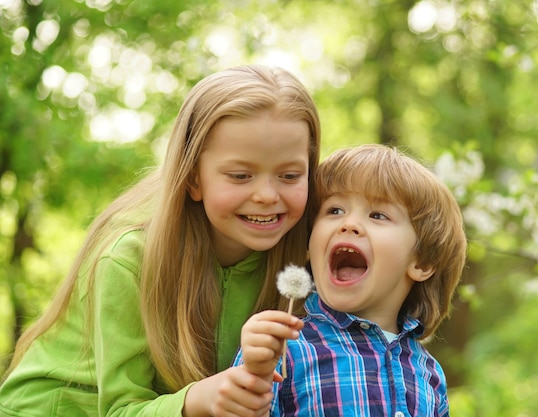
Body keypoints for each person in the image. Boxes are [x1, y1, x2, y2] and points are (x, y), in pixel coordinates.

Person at [0, 65, 320, 417]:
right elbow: (119, 410)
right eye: (240, 175)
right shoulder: (128, 259)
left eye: (289, 175)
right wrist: (196, 400)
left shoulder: (306, 256)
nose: (266, 195)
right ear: (193, 178)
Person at [235, 144, 467, 416]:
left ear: (422, 262)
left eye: (377, 215)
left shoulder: (430, 375)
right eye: (334, 210)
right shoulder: (282, 348)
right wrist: (255, 375)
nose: (349, 223)